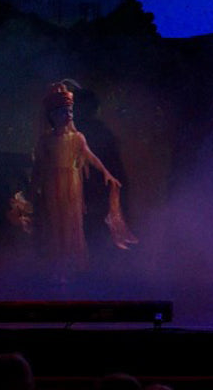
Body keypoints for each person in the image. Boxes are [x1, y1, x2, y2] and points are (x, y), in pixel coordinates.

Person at [30, 80, 132, 280]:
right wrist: (33, 189)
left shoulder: (78, 137)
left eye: (70, 111)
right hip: (52, 184)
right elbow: (40, 166)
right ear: (52, 115)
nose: (68, 115)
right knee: (55, 220)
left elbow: (91, 157)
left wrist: (106, 173)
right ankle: (57, 264)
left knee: (72, 221)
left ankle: (72, 264)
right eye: (63, 112)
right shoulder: (46, 140)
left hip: (72, 183)